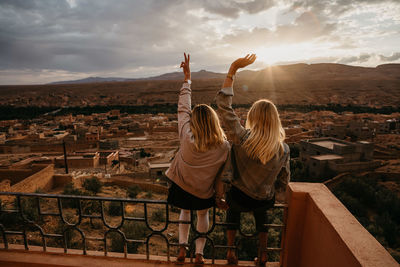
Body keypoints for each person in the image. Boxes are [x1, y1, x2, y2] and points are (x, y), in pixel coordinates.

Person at [215, 54, 290, 266]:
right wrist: (270, 189)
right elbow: (284, 180)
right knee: (263, 212)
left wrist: (232, 71)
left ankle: (231, 252)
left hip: (238, 197)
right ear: (275, 121)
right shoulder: (283, 148)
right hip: (264, 199)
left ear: (253, 117)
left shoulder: (241, 137)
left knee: (232, 208)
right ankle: (264, 253)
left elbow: (223, 106)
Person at [166, 53, 230, 264]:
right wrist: (219, 195)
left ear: (194, 121)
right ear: (214, 122)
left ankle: (182, 249)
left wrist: (187, 80)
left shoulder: (186, 134)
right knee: (202, 215)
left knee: (185, 212)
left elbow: (183, 107)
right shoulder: (223, 146)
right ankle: (200, 253)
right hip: (204, 193)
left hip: (181, 188)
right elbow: (222, 175)